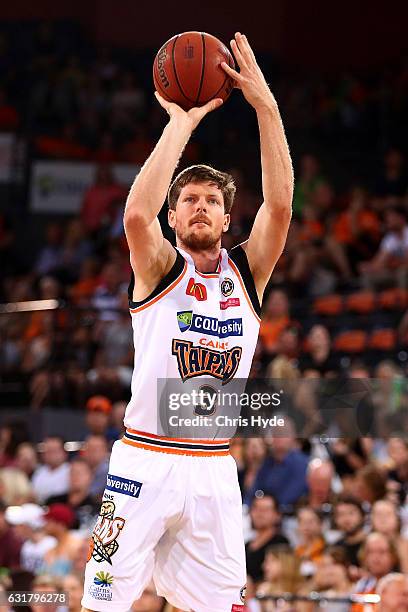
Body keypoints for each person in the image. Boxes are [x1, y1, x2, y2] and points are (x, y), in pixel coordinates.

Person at [81, 32, 293, 612]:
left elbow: (279, 208)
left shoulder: (246, 274)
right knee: (104, 602)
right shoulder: (157, 267)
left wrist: (266, 108)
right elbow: (134, 214)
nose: (200, 206)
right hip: (143, 461)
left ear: (227, 218)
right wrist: (181, 120)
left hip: (213, 469)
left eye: (211, 201)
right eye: (189, 199)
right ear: (174, 216)